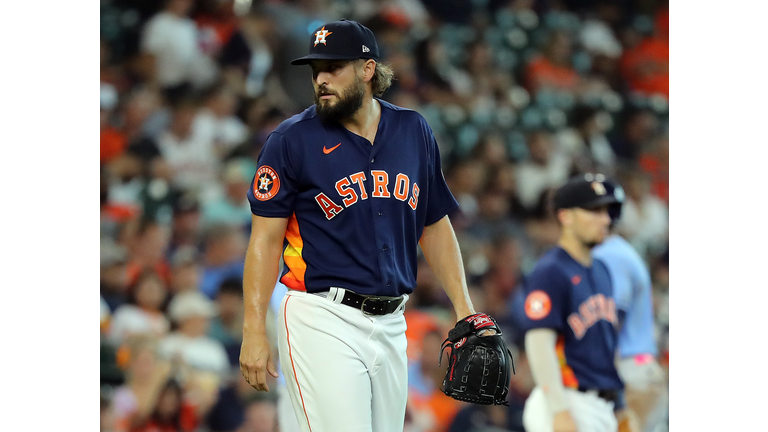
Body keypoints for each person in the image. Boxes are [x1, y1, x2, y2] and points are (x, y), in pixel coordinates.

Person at [238, 19, 479, 432]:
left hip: (392, 322)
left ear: (368, 70)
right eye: (317, 71)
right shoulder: (291, 140)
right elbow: (264, 241)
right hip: (320, 316)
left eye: (334, 68)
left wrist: (465, 310)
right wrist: (254, 328)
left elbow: (435, 224)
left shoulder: (412, 130)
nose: (322, 80)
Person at [519, 173, 624, 432]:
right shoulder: (550, 271)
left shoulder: (602, 270)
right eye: (594, 211)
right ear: (565, 216)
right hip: (568, 400)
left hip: (601, 405)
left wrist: (620, 407)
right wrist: (559, 410)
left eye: (607, 211)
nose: (605, 219)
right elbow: (539, 343)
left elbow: (606, 346)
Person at [592, 181, 667, 432]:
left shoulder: (609, 255)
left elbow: (612, 319)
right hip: (635, 373)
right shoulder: (613, 252)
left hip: (629, 375)